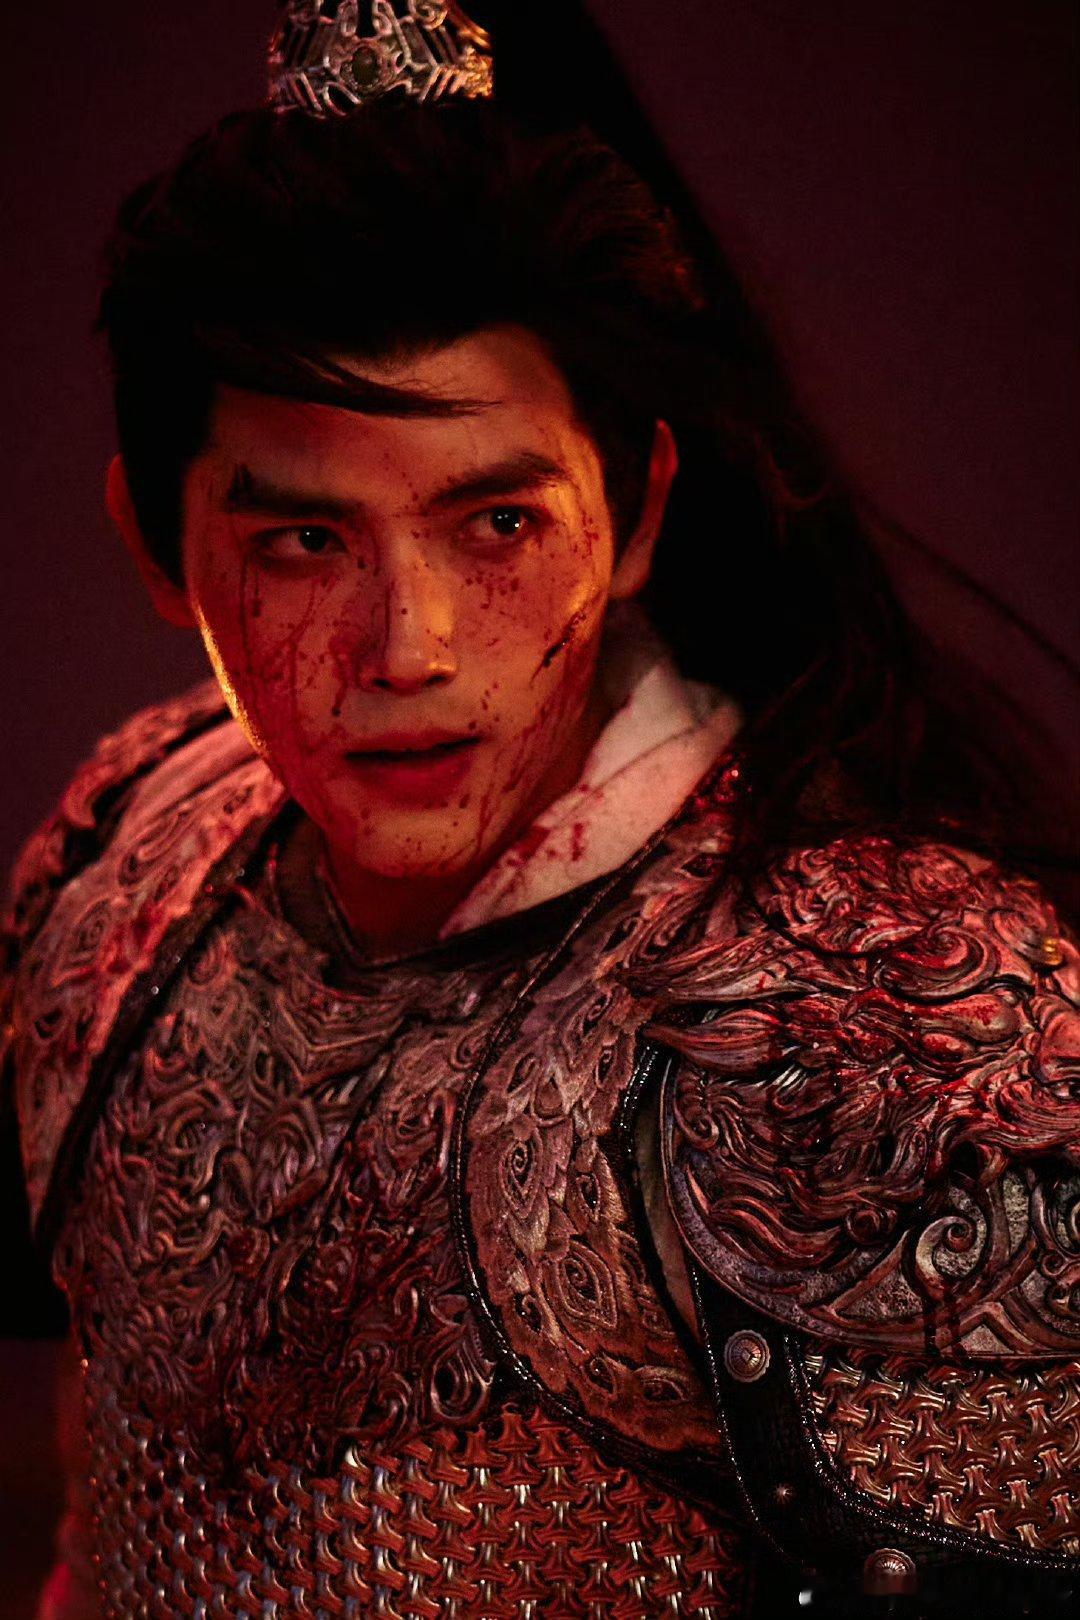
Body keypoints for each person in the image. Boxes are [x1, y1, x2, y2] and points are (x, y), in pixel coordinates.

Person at [3, 3, 1077, 1616]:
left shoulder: (874, 1024)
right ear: (156, 545)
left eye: (497, 523)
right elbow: (96, 1508)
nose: (409, 650)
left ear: (635, 515)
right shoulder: (123, 859)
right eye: (304, 543)